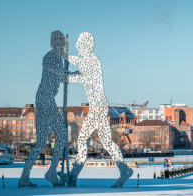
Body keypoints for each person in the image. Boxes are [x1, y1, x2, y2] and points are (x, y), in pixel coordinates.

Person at [65, 32, 133, 187]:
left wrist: (65, 60)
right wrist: (66, 71)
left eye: (79, 44)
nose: (76, 46)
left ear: (86, 46)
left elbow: (81, 74)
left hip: (97, 108)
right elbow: (77, 72)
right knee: (106, 142)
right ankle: (124, 170)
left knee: (83, 140)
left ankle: (73, 178)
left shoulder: (92, 60)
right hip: (100, 107)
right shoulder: (88, 61)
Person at [19, 31, 71, 187]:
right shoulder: (51, 57)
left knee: (42, 142)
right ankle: (51, 172)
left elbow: (62, 76)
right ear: (54, 43)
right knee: (62, 135)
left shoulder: (57, 58)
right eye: (59, 43)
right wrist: (74, 73)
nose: (61, 45)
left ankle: (25, 177)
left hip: (44, 100)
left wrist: (69, 71)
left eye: (62, 43)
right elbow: (61, 76)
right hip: (46, 100)